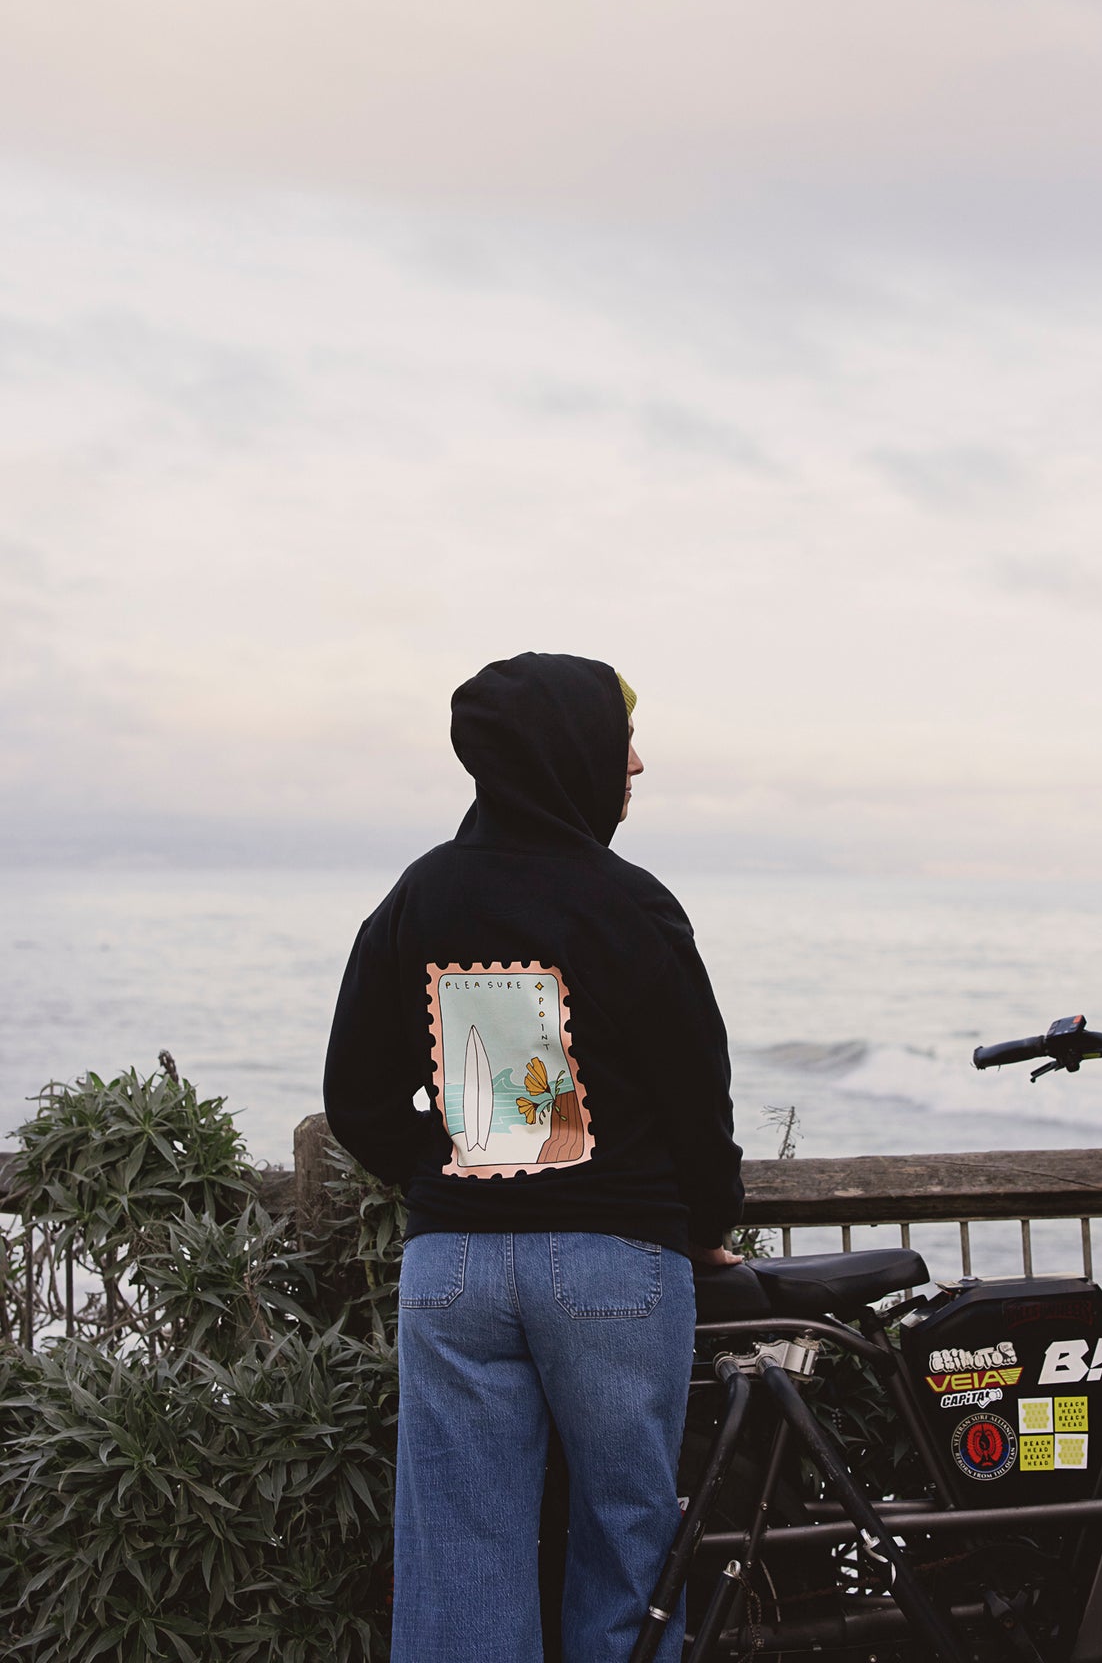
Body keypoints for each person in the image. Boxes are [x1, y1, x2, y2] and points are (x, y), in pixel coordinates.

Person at [323, 652, 743, 1663]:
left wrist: (444, 1165)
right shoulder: (631, 905)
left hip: (454, 1268)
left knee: (461, 1554)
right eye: (619, 743)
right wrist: (707, 1225)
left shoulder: (420, 896)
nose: (634, 765)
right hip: (615, 1266)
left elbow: (356, 1096)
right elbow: (697, 1098)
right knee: (629, 1540)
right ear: (569, 754)